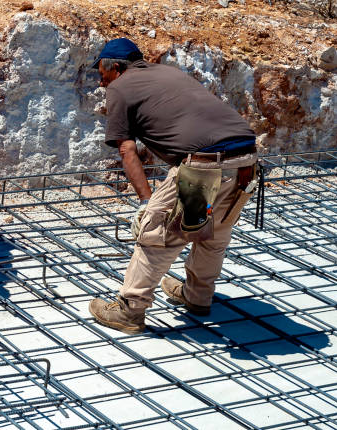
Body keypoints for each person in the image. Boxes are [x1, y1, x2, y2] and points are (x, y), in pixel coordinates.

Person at [88, 38, 259, 334]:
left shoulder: (120, 87)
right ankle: (197, 297)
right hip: (246, 160)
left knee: (157, 237)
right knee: (213, 232)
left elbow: (126, 149)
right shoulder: (169, 73)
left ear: (114, 67)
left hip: (203, 166)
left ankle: (130, 311)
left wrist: (145, 202)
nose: (101, 81)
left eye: (101, 73)